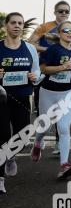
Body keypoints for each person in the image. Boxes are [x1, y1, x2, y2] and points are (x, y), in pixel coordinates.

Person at [31, 21, 71, 178]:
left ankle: (64, 165)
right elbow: (43, 68)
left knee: (64, 128)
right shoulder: (52, 50)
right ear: (59, 33)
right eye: (66, 30)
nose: (69, 32)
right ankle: (38, 143)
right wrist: (61, 68)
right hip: (48, 93)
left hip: (67, 94)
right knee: (45, 127)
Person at [0, 12, 40, 193]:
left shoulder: (30, 49)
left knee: (22, 137)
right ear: (6, 26)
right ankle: (0, 178)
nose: (17, 25)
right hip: (1, 98)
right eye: (13, 22)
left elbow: (37, 71)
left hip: (23, 97)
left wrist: (34, 76)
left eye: (20, 23)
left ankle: (11, 157)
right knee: (1, 135)